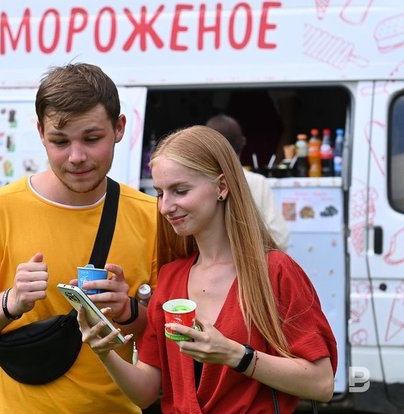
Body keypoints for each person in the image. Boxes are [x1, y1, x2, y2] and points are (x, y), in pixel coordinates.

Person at [0, 63, 158, 413]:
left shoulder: (152, 216)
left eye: (92, 139)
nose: (76, 157)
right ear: (41, 132)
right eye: (60, 141)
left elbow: (170, 331)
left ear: (119, 128)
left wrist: (128, 309)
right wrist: (11, 301)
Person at [78, 125, 337, 413]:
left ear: (222, 187)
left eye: (180, 191)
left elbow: (322, 384)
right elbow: (146, 392)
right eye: (160, 193)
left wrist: (236, 356)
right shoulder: (171, 277)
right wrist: (105, 352)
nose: (165, 207)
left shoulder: (275, 271)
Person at [206, 114, 290, 250]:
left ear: (205, 147)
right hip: (255, 259)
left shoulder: (198, 183)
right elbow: (280, 238)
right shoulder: (257, 183)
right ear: (243, 142)